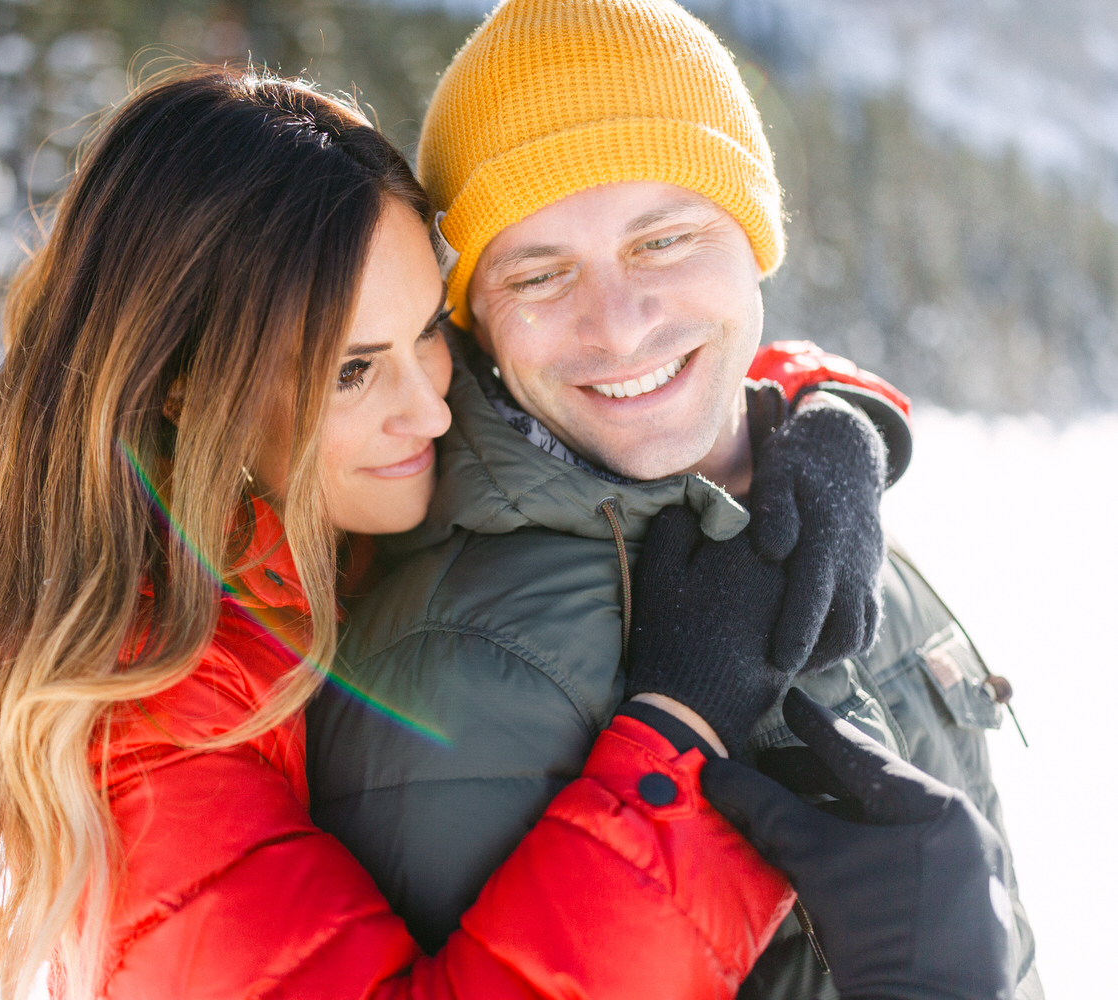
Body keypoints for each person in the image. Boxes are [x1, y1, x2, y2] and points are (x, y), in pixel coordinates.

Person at [0, 69, 804, 1000]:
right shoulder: (140, 716)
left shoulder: (310, 525)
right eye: (350, 372)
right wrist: (682, 741)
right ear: (180, 383)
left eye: (429, 329)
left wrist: (810, 425)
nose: (430, 412)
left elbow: (649, 364)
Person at [305, 1, 1042, 997]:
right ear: (476, 317)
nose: (615, 325)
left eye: (664, 241)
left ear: (756, 238)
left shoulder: (822, 492)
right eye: (539, 270)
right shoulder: (463, 668)